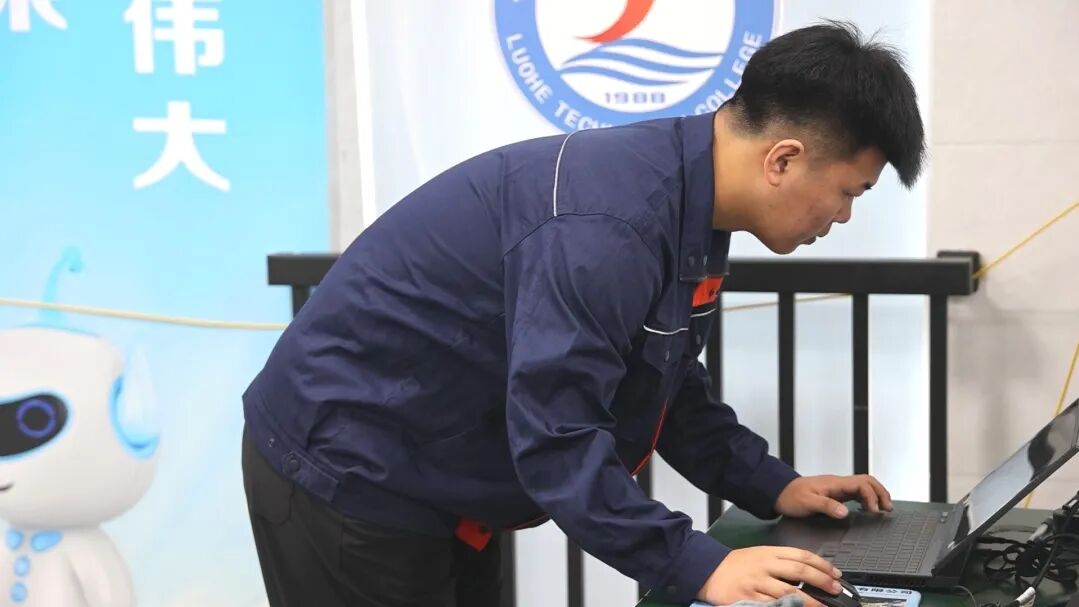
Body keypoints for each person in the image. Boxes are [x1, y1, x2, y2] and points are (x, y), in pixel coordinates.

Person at [241, 20, 923, 607]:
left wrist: (774, 485)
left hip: (436, 473)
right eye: (847, 191)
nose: (842, 216)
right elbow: (558, 436)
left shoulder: (689, 202)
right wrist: (699, 563)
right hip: (346, 469)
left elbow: (666, 383)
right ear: (783, 159)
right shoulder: (609, 226)